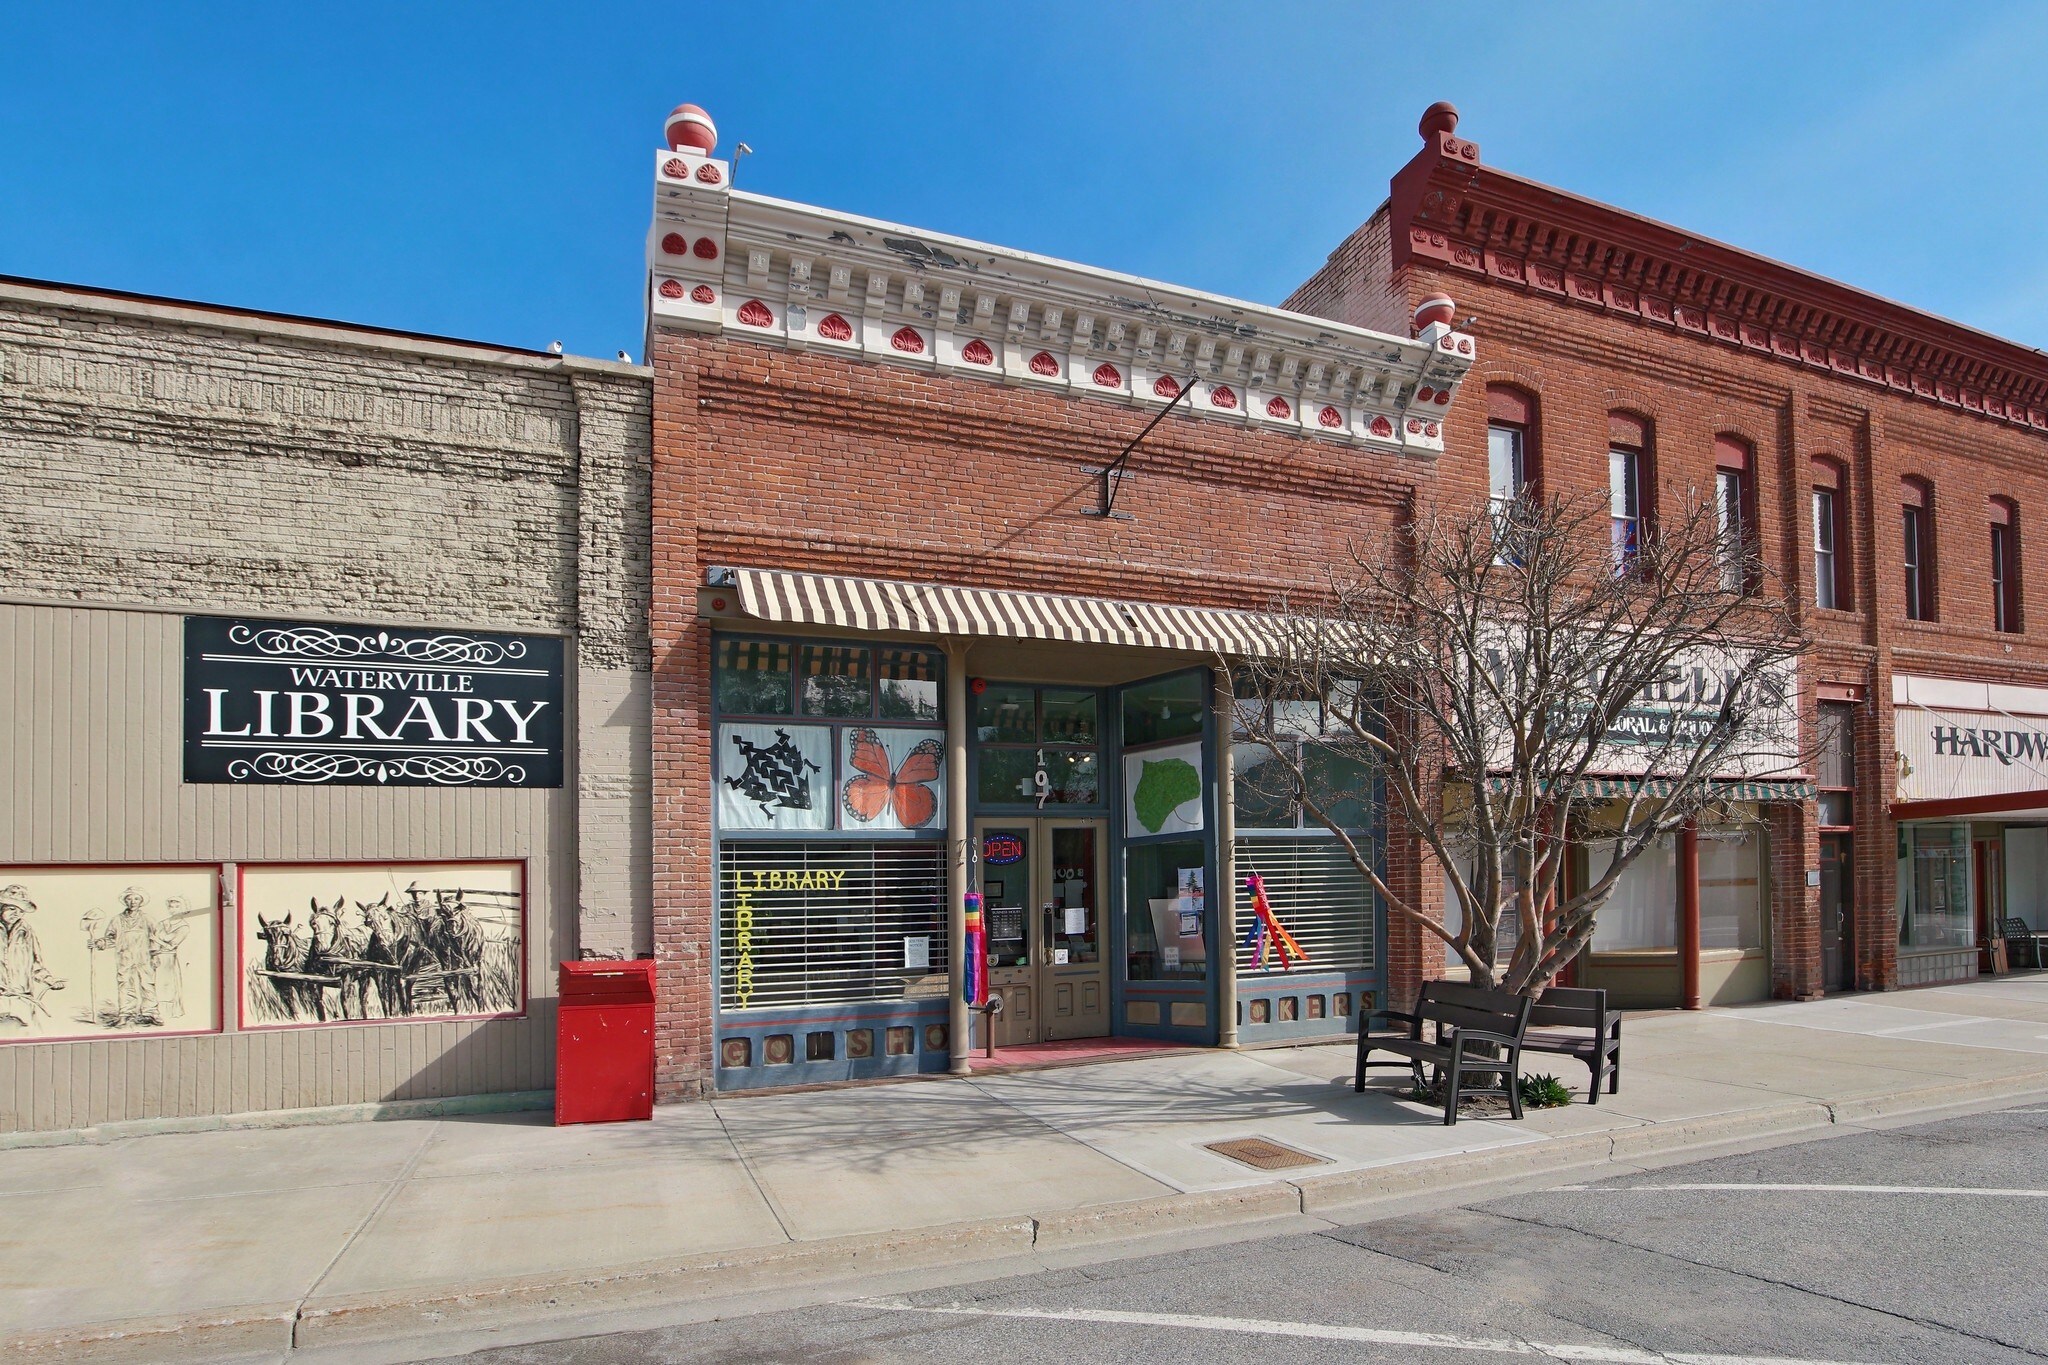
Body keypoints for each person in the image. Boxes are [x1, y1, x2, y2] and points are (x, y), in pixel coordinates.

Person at [89, 888, 162, 1027]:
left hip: (144, 957)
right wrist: (100, 942)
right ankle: (125, 1014)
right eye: (129, 899)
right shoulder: (116, 920)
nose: (132, 902)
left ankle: (150, 1012)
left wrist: (155, 955)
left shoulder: (148, 919)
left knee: (147, 984)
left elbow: (155, 938)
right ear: (124, 901)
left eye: (136, 899)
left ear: (141, 901)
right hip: (124, 957)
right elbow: (110, 938)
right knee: (124, 984)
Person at [0, 884, 62, 1029]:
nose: (16, 913)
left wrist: (49, 980)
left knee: (28, 1032)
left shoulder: (26, 931)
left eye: (21, 911)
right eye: (12, 908)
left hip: (22, 997)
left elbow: (35, 964)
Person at [153, 898, 192, 1021]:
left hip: (169, 959)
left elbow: (171, 945)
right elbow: (152, 942)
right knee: (156, 985)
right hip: (157, 957)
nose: (173, 909)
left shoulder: (184, 927)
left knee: (169, 986)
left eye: (176, 906)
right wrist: (154, 952)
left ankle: (169, 1013)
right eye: (171, 906)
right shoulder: (162, 923)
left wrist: (155, 939)